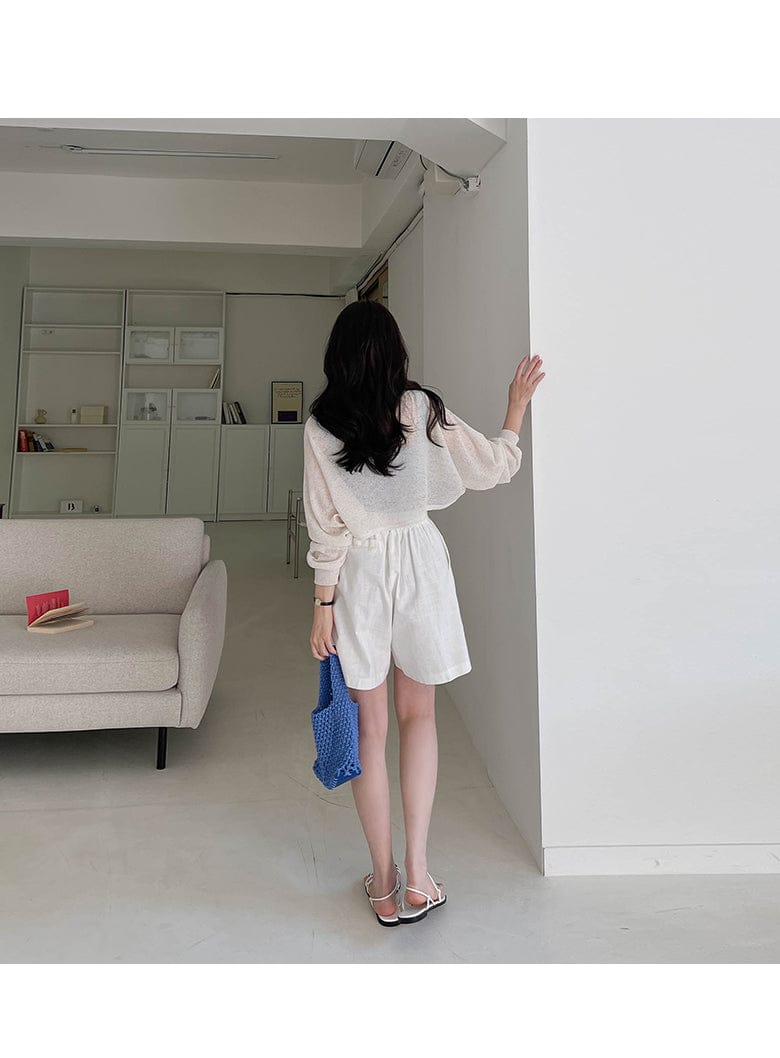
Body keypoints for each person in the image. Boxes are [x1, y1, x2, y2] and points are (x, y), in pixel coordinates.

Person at [302, 299, 544, 926]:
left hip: (358, 572)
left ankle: (383, 883)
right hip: (420, 563)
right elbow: (493, 467)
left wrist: (323, 605)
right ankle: (419, 875)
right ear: (395, 352)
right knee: (420, 717)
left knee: (370, 729)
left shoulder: (321, 425)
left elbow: (325, 525)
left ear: (338, 356)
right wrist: (515, 408)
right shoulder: (419, 407)